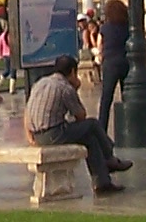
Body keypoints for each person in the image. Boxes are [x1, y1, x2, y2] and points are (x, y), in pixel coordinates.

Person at [25, 56, 126, 193]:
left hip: (37, 135)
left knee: (90, 140)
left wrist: (30, 136)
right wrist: (76, 88)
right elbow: (81, 116)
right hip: (53, 134)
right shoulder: (65, 87)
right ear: (73, 71)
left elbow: (26, 113)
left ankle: (102, 183)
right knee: (93, 124)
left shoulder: (40, 83)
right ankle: (109, 158)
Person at [96, 0, 130, 137]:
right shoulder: (127, 26)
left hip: (110, 62)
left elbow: (100, 44)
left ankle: (102, 130)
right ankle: (128, 126)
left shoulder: (105, 27)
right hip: (125, 61)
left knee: (106, 98)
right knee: (126, 96)